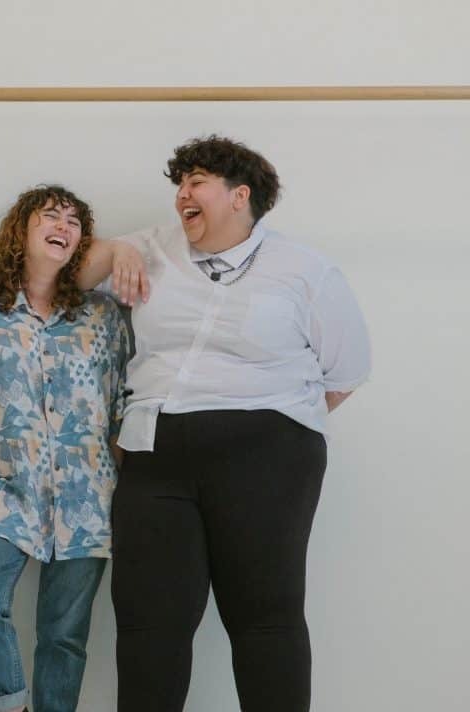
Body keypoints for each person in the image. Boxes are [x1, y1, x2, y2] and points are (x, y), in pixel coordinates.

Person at [90, 135, 371, 712]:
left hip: (267, 457)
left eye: (195, 183)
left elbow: (345, 373)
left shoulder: (306, 270)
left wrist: (267, 432)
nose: (181, 196)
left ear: (240, 196)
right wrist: (112, 246)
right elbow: (61, 269)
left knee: (265, 616)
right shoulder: (149, 247)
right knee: (149, 623)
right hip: (156, 453)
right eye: (179, 185)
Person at [0, 186, 130, 712]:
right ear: (20, 232)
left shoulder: (103, 315)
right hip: (6, 493)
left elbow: (121, 407)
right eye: (50, 216)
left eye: (74, 222)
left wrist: (112, 485)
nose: (63, 227)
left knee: (63, 637)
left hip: (87, 500)